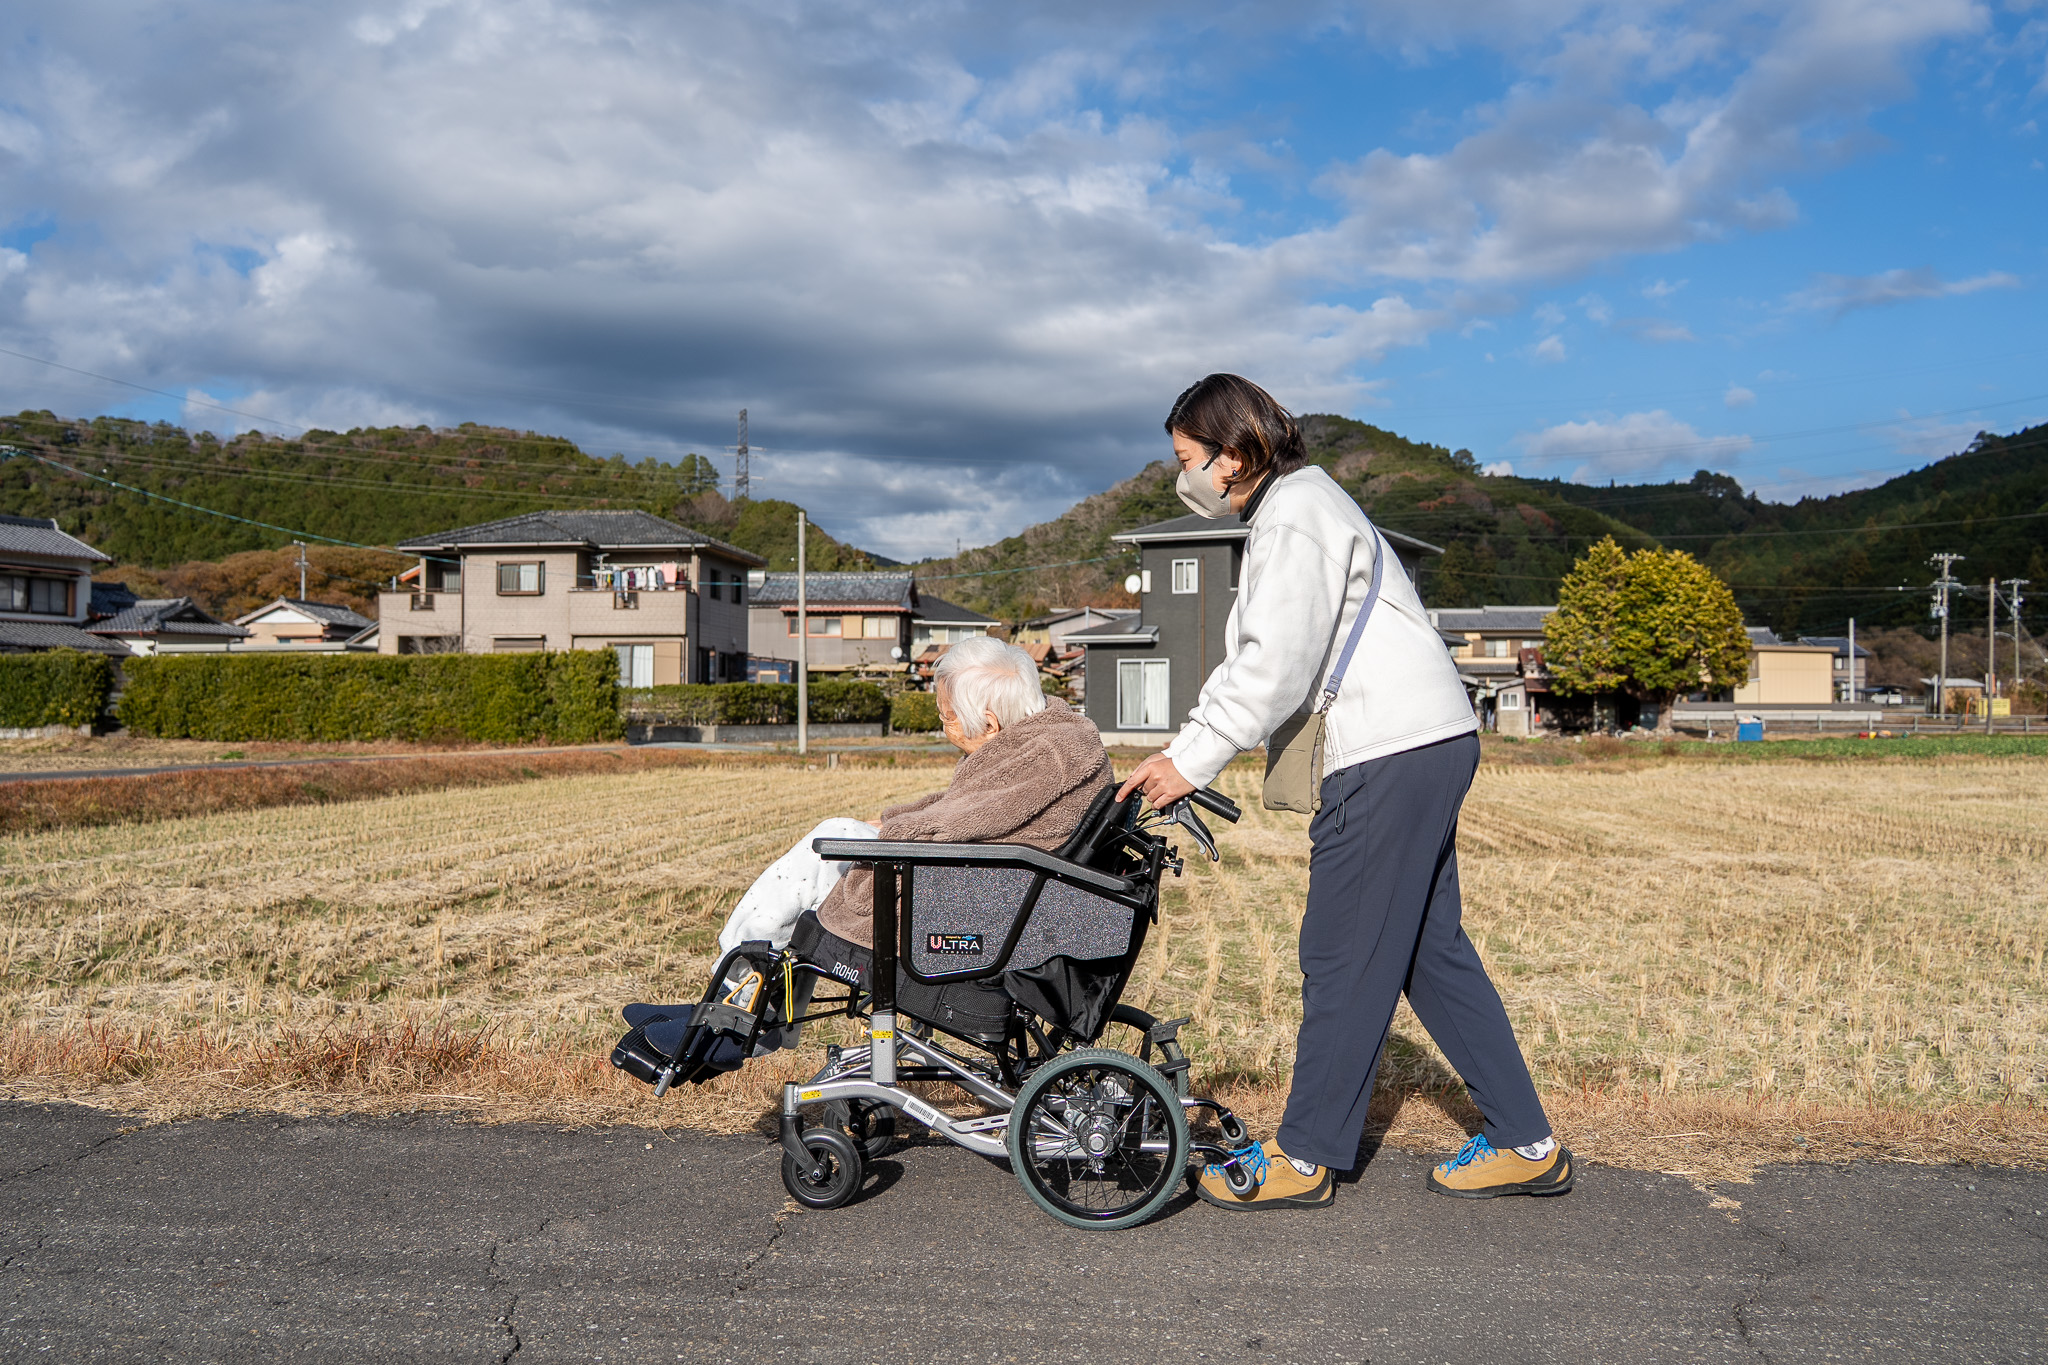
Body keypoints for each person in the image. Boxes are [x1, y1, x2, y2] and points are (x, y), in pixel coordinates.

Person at [1118, 373, 1572, 1209]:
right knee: (1428, 953)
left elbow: (1271, 664)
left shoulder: (1295, 514)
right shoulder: (1307, 505)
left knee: (1338, 952)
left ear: (1237, 450)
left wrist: (1192, 758)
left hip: (1388, 748)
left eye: (1189, 459)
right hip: (1426, 739)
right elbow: (1265, 660)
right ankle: (1525, 1140)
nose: (1184, 477)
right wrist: (1190, 746)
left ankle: (1305, 1154)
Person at [716, 636, 1110, 959]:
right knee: (844, 838)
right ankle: (749, 980)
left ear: (989, 725)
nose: (943, 726)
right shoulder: (1055, 739)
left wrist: (893, 831)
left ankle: (734, 975)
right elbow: (976, 808)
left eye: (947, 716)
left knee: (829, 840)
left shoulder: (1041, 757)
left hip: (972, 906)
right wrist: (892, 822)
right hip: (997, 890)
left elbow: (957, 823)